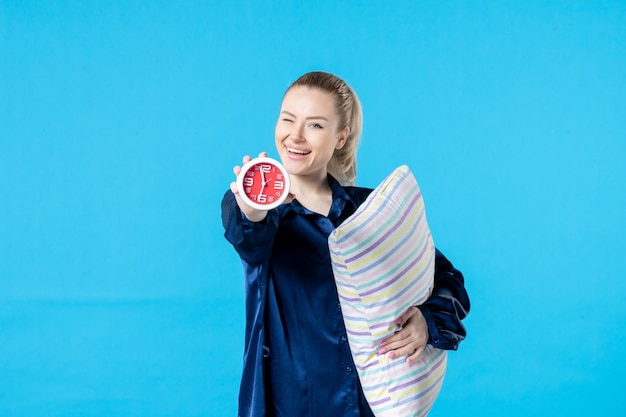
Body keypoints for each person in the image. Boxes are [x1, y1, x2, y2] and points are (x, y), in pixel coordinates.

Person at [221, 71, 470, 417]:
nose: (295, 135)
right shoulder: (267, 217)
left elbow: (443, 276)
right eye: (288, 119)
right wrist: (252, 206)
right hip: (292, 403)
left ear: (341, 137)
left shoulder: (375, 210)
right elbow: (248, 234)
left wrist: (427, 322)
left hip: (373, 402)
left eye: (315, 125)